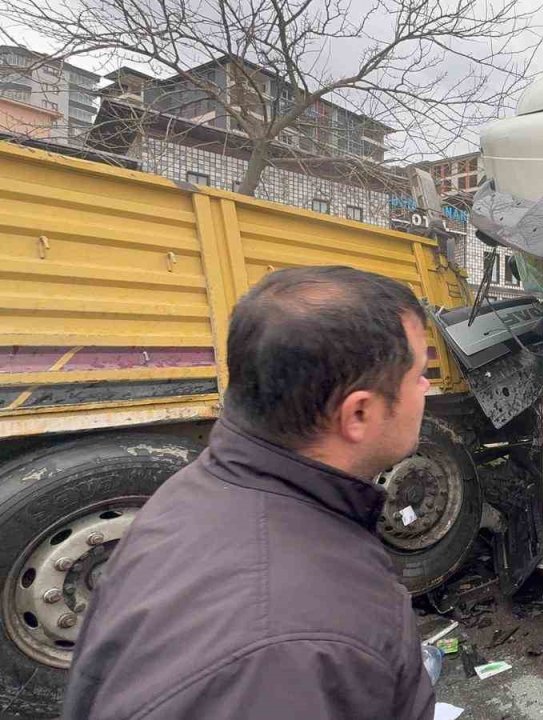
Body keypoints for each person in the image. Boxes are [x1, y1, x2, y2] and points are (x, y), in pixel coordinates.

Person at [63, 267, 437, 720]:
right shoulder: (291, 649)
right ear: (358, 412)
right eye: (419, 373)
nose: (427, 387)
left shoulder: (205, 491)